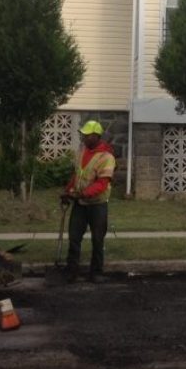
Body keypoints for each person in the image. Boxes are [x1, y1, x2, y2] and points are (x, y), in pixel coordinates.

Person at [60, 120, 116, 283]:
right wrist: (68, 191)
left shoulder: (107, 157)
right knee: (74, 237)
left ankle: (96, 272)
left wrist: (83, 194)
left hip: (97, 205)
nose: (83, 138)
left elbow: (102, 183)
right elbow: (77, 175)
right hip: (80, 203)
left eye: (87, 135)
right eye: (83, 135)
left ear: (96, 136)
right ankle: (71, 270)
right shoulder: (82, 151)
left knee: (97, 239)